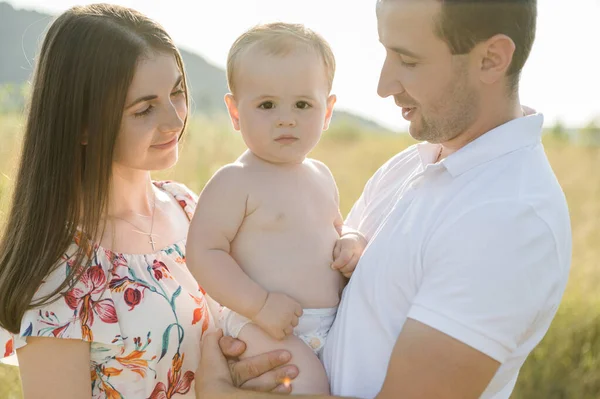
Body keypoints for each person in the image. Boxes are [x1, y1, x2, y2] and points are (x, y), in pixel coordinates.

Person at [196, 0, 572, 398]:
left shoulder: (511, 218)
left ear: (491, 59)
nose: (383, 85)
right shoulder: (414, 163)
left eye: (408, 60)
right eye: (386, 52)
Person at [0, 4, 298, 398]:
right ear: (83, 125)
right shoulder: (60, 279)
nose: (175, 121)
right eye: (144, 109)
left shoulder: (190, 206)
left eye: (176, 93)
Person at [186, 23, 367, 395]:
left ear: (328, 109)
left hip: (325, 325)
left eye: (303, 104)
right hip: (259, 323)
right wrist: (260, 304)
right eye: (267, 105)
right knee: (311, 386)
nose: (287, 118)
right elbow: (203, 252)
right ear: (236, 112)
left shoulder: (320, 174)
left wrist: (350, 241)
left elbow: (336, 226)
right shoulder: (235, 181)